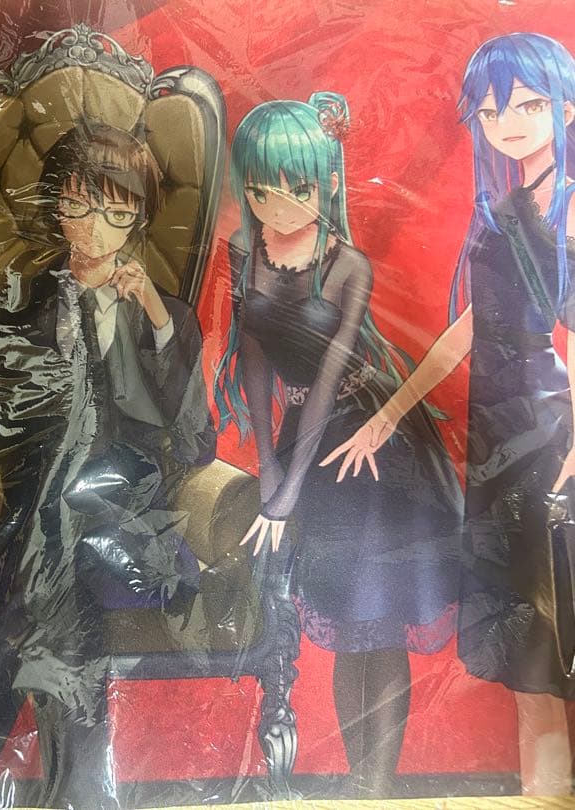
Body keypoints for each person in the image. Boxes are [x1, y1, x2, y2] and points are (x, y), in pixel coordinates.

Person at [0, 122, 215, 809]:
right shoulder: (28, 299)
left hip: (128, 502)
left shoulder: (164, 313)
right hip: (39, 496)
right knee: (60, 572)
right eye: (79, 204)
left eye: (117, 212)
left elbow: (195, 437)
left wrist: (153, 315)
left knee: (47, 563)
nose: (95, 228)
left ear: (139, 217)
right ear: (56, 204)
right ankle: (82, 791)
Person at [324, 34, 575, 796]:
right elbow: (467, 329)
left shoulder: (570, 208)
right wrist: (391, 412)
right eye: (493, 112)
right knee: (529, 659)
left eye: (528, 105)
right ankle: (542, 795)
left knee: (551, 643)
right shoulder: (503, 210)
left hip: (549, 434)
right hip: (498, 443)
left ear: (565, 109)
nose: (509, 124)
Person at [213, 93, 463, 796]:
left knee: (376, 620)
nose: (280, 206)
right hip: (304, 440)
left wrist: (287, 491)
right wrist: (269, 470)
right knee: (349, 622)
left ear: (326, 182)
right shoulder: (244, 251)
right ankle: (361, 785)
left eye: (297, 187)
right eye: (261, 191)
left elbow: (327, 380)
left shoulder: (348, 264)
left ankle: (376, 788)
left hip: (371, 449)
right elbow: (254, 357)